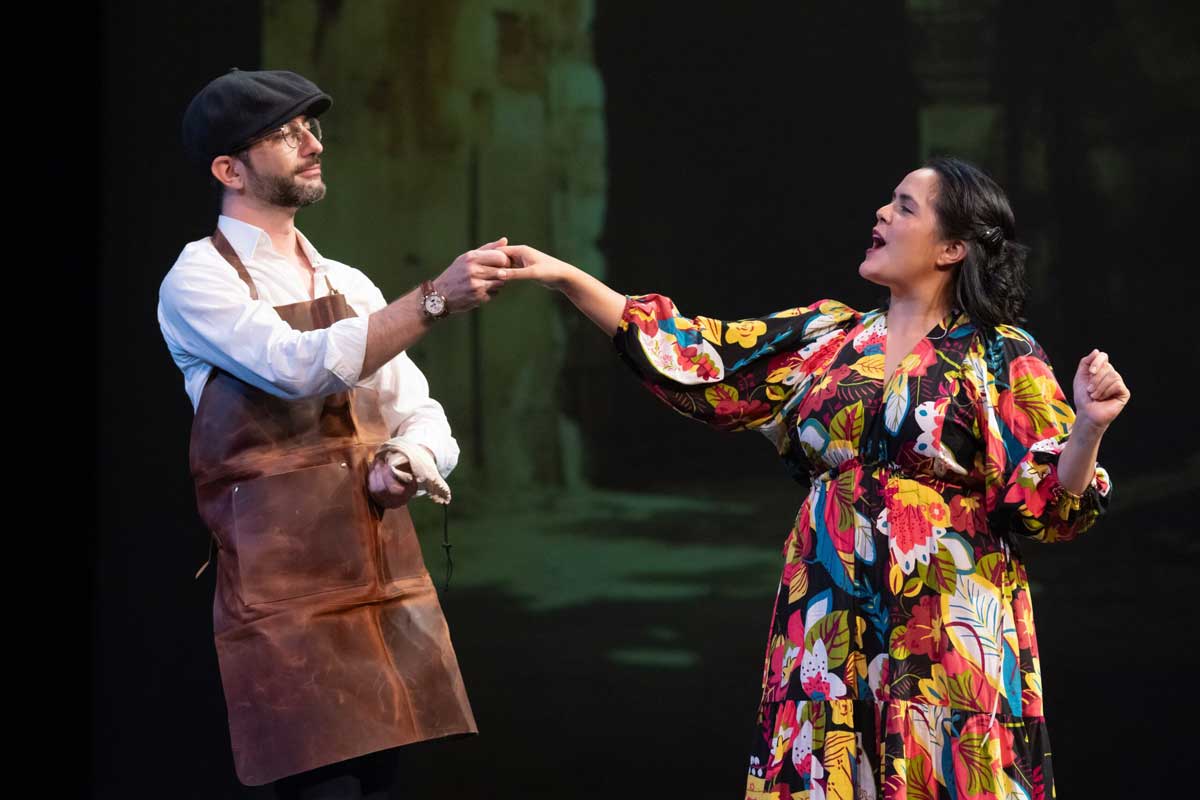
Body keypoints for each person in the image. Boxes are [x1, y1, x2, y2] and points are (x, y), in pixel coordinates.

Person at [499, 157, 1128, 799]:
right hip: (827, 612)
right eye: (889, 200)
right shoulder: (830, 339)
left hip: (948, 621)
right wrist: (567, 278)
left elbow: (1050, 504)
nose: (882, 212)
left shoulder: (1000, 353)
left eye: (905, 206)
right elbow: (701, 358)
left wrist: (1088, 428)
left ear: (952, 248)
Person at [157, 68, 513, 798]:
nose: (313, 144)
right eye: (284, 135)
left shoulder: (349, 284)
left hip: (378, 583)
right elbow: (295, 367)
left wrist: (406, 457)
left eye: (310, 128)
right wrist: (435, 299)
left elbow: (421, 411)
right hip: (285, 600)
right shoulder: (198, 280)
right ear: (229, 170)